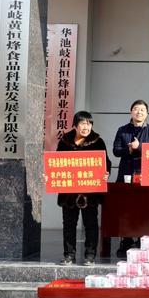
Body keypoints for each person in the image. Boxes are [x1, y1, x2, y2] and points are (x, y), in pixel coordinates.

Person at [54, 111, 110, 267]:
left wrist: (106, 173)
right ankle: (69, 255)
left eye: (89, 123)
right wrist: (51, 176)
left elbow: (106, 162)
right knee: (69, 224)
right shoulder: (65, 141)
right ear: (75, 125)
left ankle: (90, 255)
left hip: (90, 192)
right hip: (69, 192)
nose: (87, 127)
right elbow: (57, 162)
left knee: (90, 224)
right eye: (83, 123)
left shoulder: (97, 141)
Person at [111, 99, 149, 258]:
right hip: (125, 173)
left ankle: (141, 238)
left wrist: (139, 148)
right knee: (125, 209)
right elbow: (116, 151)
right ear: (131, 112)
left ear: (147, 113)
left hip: (144, 174)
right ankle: (126, 240)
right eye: (136, 109)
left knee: (143, 208)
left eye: (142, 110)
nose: (139, 112)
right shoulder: (122, 130)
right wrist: (129, 150)